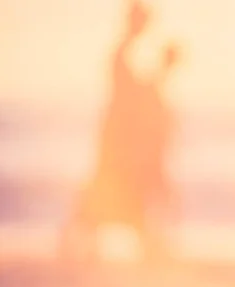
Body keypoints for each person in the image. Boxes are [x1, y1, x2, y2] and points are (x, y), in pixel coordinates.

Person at [60, 0, 179, 265]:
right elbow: (131, 97)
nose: (145, 27)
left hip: (121, 139)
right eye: (142, 21)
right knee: (117, 191)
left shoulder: (124, 55)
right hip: (119, 140)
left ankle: (144, 248)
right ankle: (84, 246)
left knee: (124, 192)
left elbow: (137, 97)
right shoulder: (122, 55)